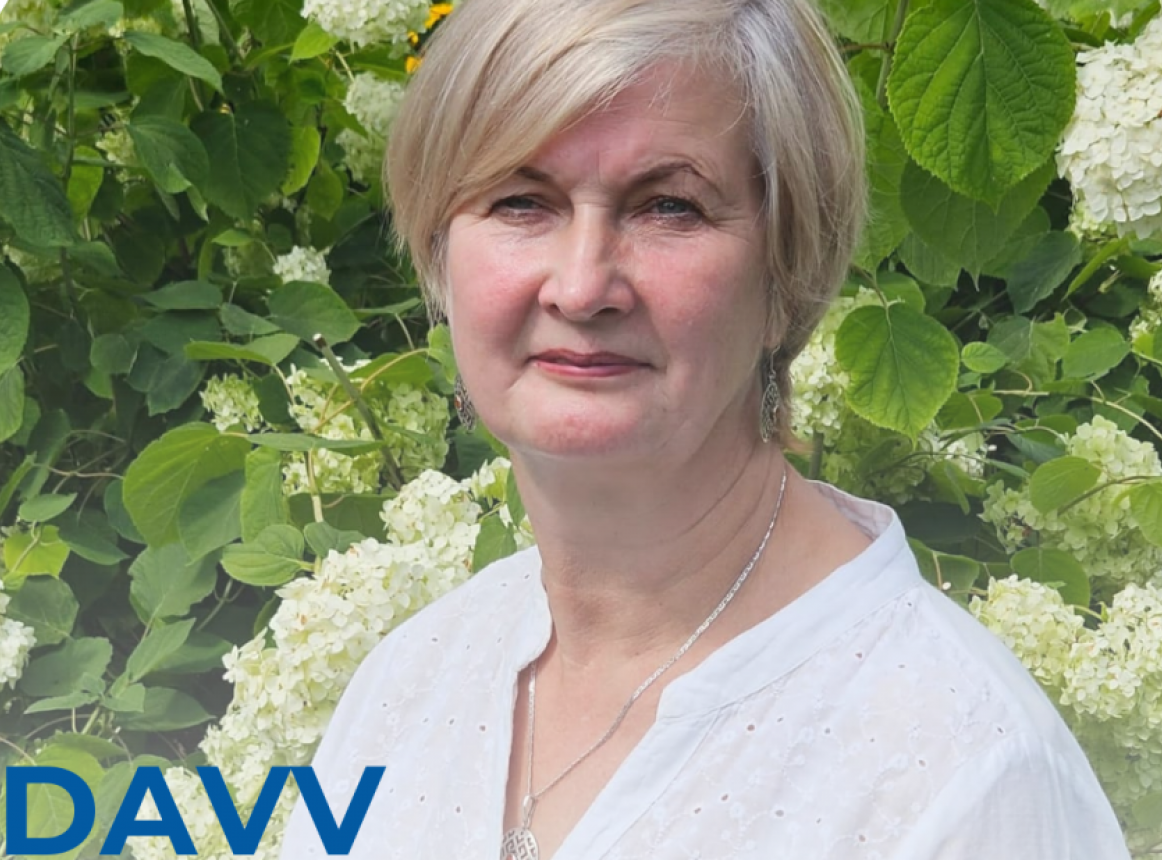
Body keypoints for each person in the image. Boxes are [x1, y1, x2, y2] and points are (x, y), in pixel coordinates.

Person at [279, 0, 1130, 857]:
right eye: (521, 202)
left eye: (669, 208)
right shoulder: (410, 681)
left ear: (787, 273)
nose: (581, 287)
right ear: (440, 259)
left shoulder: (962, 772)